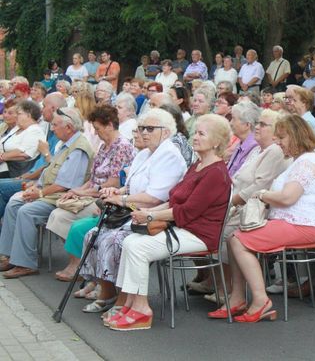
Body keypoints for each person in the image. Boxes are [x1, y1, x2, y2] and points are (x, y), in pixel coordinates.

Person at [108, 114, 232, 330]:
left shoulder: (216, 173)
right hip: (184, 228)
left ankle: (141, 310)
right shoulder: (198, 166)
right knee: (130, 241)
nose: (194, 137)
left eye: (201, 133)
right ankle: (130, 303)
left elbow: (187, 211)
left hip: (200, 235)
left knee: (137, 246)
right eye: (195, 132)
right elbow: (174, 200)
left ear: (217, 142)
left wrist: (150, 215)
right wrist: (150, 211)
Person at [208, 114, 315, 322]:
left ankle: (260, 301)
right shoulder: (301, 161)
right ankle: (238, 298)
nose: (278, 142)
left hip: (301, 226)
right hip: (293, 223)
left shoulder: (307, 162)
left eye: (282, 138)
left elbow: (287, 197)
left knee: (237, 240)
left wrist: (262, 195)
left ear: (295, 136)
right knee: (233, 239)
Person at [77, 108, 187, 313]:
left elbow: (156, 197)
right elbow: (130, 185)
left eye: (150, 129)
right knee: (93, 235)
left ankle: (123, 298)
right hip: (131, 211)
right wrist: (115, 190)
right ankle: (107, 291)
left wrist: (122, 198)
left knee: (114, 241)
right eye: (142, 128)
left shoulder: (170, 155)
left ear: (166, 131)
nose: (144, 132)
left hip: (154, 216)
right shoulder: (145, 153)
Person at [195, 109, 290, 301]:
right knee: (206, 219)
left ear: (276, 131)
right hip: (237, 201)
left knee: (222, 229)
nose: (257, 127)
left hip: (252, 207)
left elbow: (259, 185)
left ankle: (227, 289)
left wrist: (229, 202)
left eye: (263, 125)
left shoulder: (274, 151)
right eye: (258, 123)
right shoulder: (257, 149)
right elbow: (238, 177)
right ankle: (218, 283)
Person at [0, 108, 94, 278]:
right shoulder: (66, 143)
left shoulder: (78, 148)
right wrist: (35, 187)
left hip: (62, 198)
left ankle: (25, 263)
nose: (52, 128)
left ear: (69, 127)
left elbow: (64, 185)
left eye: (55, 125)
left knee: (26, 211)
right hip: (50, 193)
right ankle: (10, 255)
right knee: (14, 203)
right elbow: (51, 173)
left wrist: (39, 193)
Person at [47, 105, 136, 281]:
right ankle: (79, 261)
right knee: (58, 213)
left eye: (98, 128)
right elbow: (93, 178)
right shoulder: (104, 146)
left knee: (62, 217)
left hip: (106, 198)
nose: (95, 133)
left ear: (110, 125)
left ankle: (78, 264)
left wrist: (83, 193)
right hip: (94, 194)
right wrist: (77, 190)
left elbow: (113, 182)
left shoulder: (122, 147)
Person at [0, 101, 45, 179]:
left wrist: (2, 157)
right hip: (5, 168)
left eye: (19, 114)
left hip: (18, 174)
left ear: (29, 115)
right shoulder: (17, 128)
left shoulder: (35, 130)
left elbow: (23, 153)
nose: (16, 116)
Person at [227, 101, 260, 177]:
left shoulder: (254, 147)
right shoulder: (241, 143)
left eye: (233, 119)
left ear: (247, 125)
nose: (230, 123)